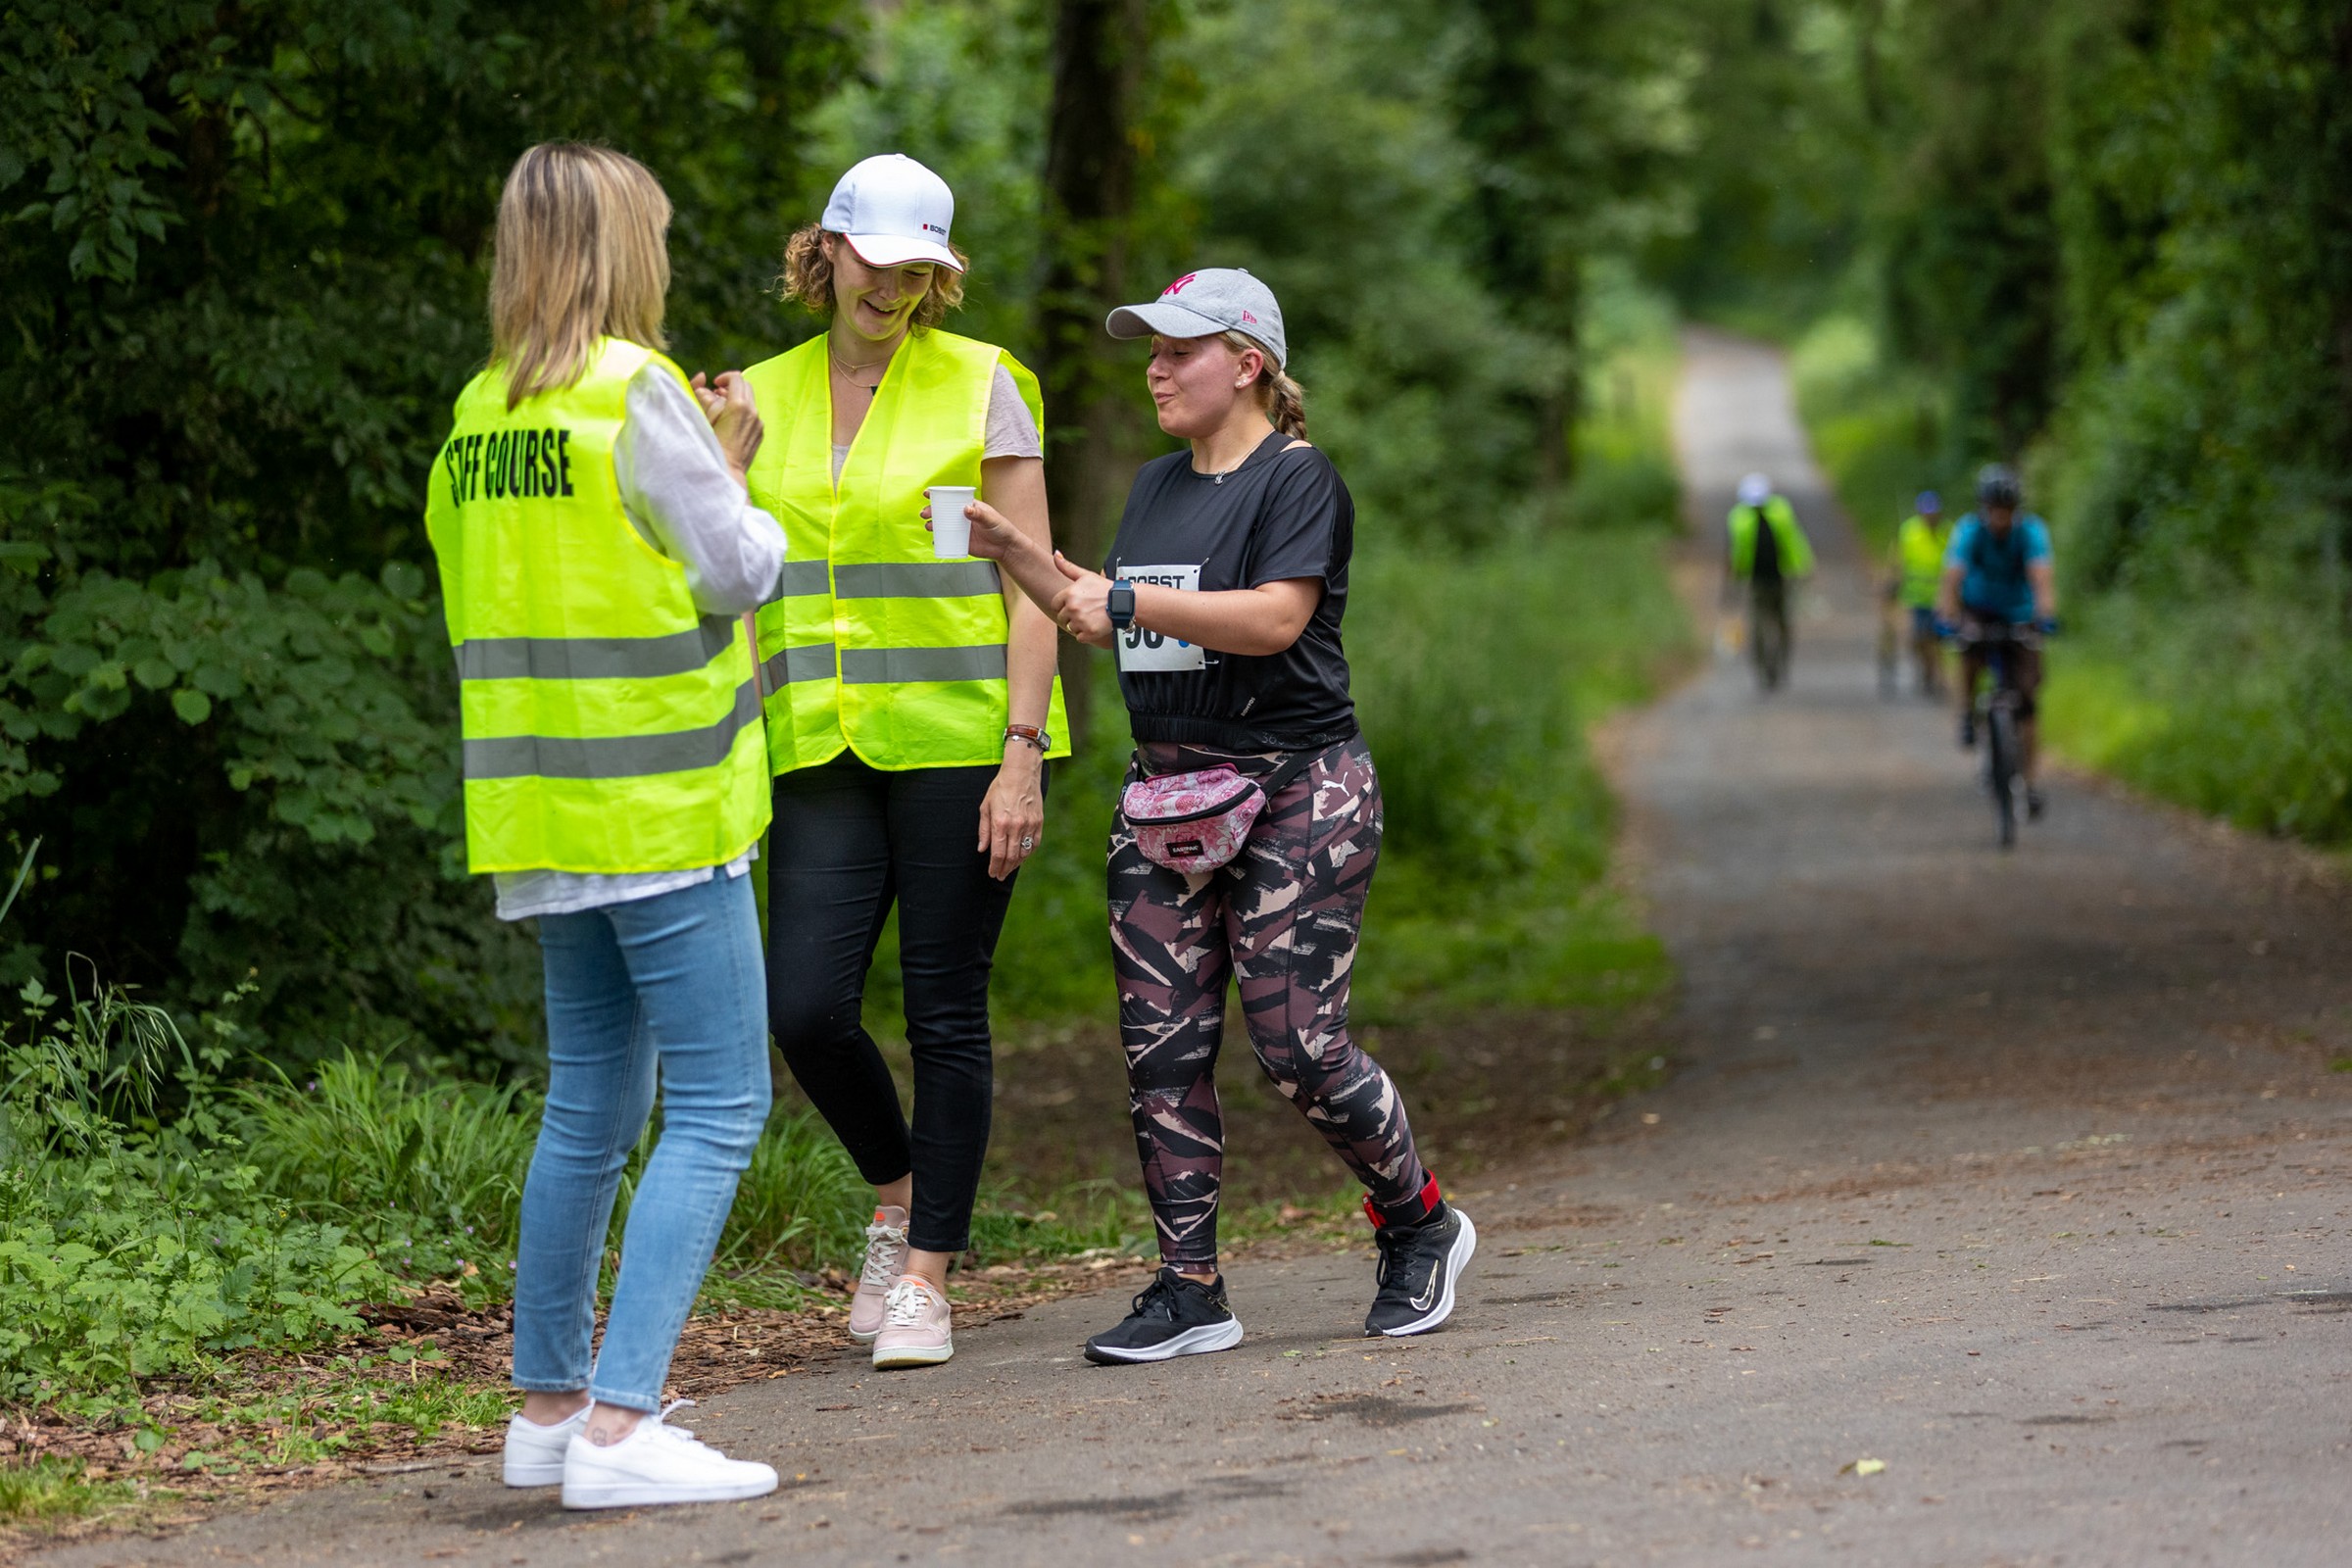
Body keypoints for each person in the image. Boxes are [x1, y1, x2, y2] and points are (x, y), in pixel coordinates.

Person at [956, 268, 1475, 1363]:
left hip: (1300, 791)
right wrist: (1020, 559)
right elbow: (1110, 618)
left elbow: (1275, 618)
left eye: (1177, 350)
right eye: (1148, 349)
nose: (1154, 368)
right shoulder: (1154, 484)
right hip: (1167, 798)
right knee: (1162, 1051)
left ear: (1247, 364)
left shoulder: (1298, 478)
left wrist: (1121, 595)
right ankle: (1190, 1291)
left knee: (1297, 1045)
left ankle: (1420, 1222)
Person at [424, 143, 783, 1508]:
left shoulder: (479, 414)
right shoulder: (637, 392)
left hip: (544, 812)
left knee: (590, 1103)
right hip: (662, 806)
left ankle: (548, 1408)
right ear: (620, 248)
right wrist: (733, 465)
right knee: (721, 1102)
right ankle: (624, 1429)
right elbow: (735, 566)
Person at [736, 154, 1069, 1372]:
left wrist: (1022, 757)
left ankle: (928, 1276)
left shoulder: (985, 384)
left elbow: (1034, 583)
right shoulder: (754, 397)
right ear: (826, 250)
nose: (894, 289)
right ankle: (898, 1195)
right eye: (876, 264)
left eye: (919, 271)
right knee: (805, 1009)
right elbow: (733, 583)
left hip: (961, 745)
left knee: (944, 1008)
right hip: (815, 745)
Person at [1938, 464, 2058, 817]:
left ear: (2016, 508)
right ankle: (1966, 711)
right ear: (1984, 507)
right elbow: (1953, 576)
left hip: (2020, 613)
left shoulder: (2031, 532)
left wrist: (2045, 615)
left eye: (2006, 510)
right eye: (1994, 509)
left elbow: (2041, 577)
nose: (2000, 517)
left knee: (2028, 703)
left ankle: (2030, 784)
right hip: (1979, 608)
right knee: (1968, 650)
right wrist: (1947, 616)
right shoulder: (1969, 531)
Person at [1725, 472, 1815, 690]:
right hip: (1757, 580)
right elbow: (1736, 551)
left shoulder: (1780, 512)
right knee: (1758, 626)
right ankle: (1763, 669)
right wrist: (1735, 576)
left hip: (1782, 577)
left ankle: (1779, 664)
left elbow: (1794, 541)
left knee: (1782, 623)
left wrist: (1803, 567)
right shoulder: (1739, 518)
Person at [1889, 491, 1950, 697]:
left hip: (1941, 598)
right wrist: (1893, 582)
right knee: (1919, 638)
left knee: (1938, 640)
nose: (1930, 517)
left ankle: (1938, 676)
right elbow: (1899, 560)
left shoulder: (1947, 533)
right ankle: (1927, 672)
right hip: (1918, 598)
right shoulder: (1909, 532)